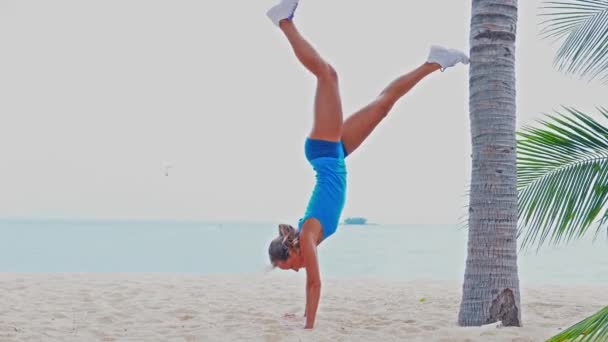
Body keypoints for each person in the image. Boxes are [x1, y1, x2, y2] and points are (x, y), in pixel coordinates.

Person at [266, 0, 469, 329]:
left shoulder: (306, 238)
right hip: (335, 154)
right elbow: (311, 284)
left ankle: (283, 22)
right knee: (383, 105)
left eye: (293, 267)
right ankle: (434, 61)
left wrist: (308, 328)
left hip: (323, 150)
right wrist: (304, 314)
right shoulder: (307, 239)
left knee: (328, 75)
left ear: (291, 251)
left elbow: (314, 284)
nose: (300, 269)